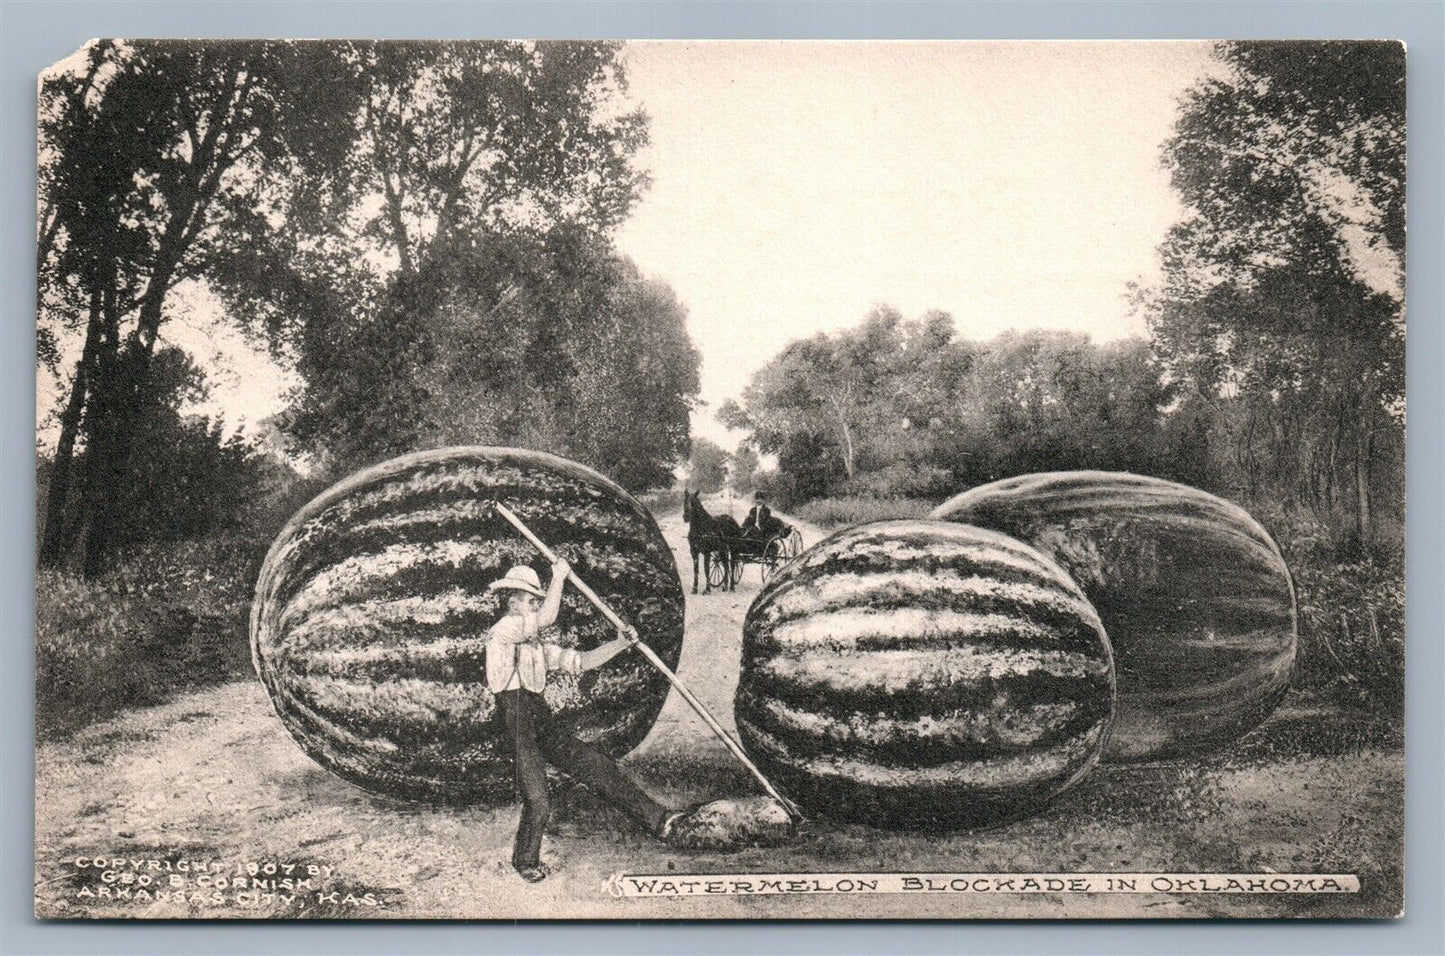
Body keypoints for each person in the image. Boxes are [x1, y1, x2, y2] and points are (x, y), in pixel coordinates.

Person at [485, 560, 684, 883]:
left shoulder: (536, 646)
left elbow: (582, 662)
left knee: (596, 765)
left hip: (539, 717)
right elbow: (548, 618)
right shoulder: (502, 632)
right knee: (538, 798)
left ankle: (660, 820)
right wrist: (559, 577)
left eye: (538, 600)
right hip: (516, 720)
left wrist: (620, 644)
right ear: (512, 603)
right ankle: (525, 861)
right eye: (532, 601)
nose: (537, 606)